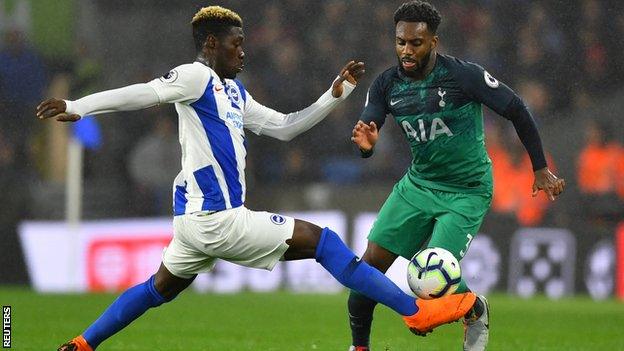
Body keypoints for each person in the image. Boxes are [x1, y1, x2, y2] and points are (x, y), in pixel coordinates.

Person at [36, 6, 476, 351]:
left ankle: (82, 343)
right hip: (217, 217)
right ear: (212, 44)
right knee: (323, 242)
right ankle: (414, 310)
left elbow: (285, 127)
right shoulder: (196, 77)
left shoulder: (232, 92)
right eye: (236, 45)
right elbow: (143, 94)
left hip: (193, 224)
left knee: (158, 288)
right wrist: (80, 106)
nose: (243, 52)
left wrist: (332, 95)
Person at [347, 2, 565, 351]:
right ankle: (358, 347)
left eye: (415, 43)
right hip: (416, 186)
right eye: (400, 41)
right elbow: (368, 129)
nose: (406, 50)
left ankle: (474, 308)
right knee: (364, 274)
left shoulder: (463, 76)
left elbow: (516, 109)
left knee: (430, 283)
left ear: (433, 42)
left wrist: (539, 167)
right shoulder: (387, 83)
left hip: (466, 191)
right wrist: (367, 147)